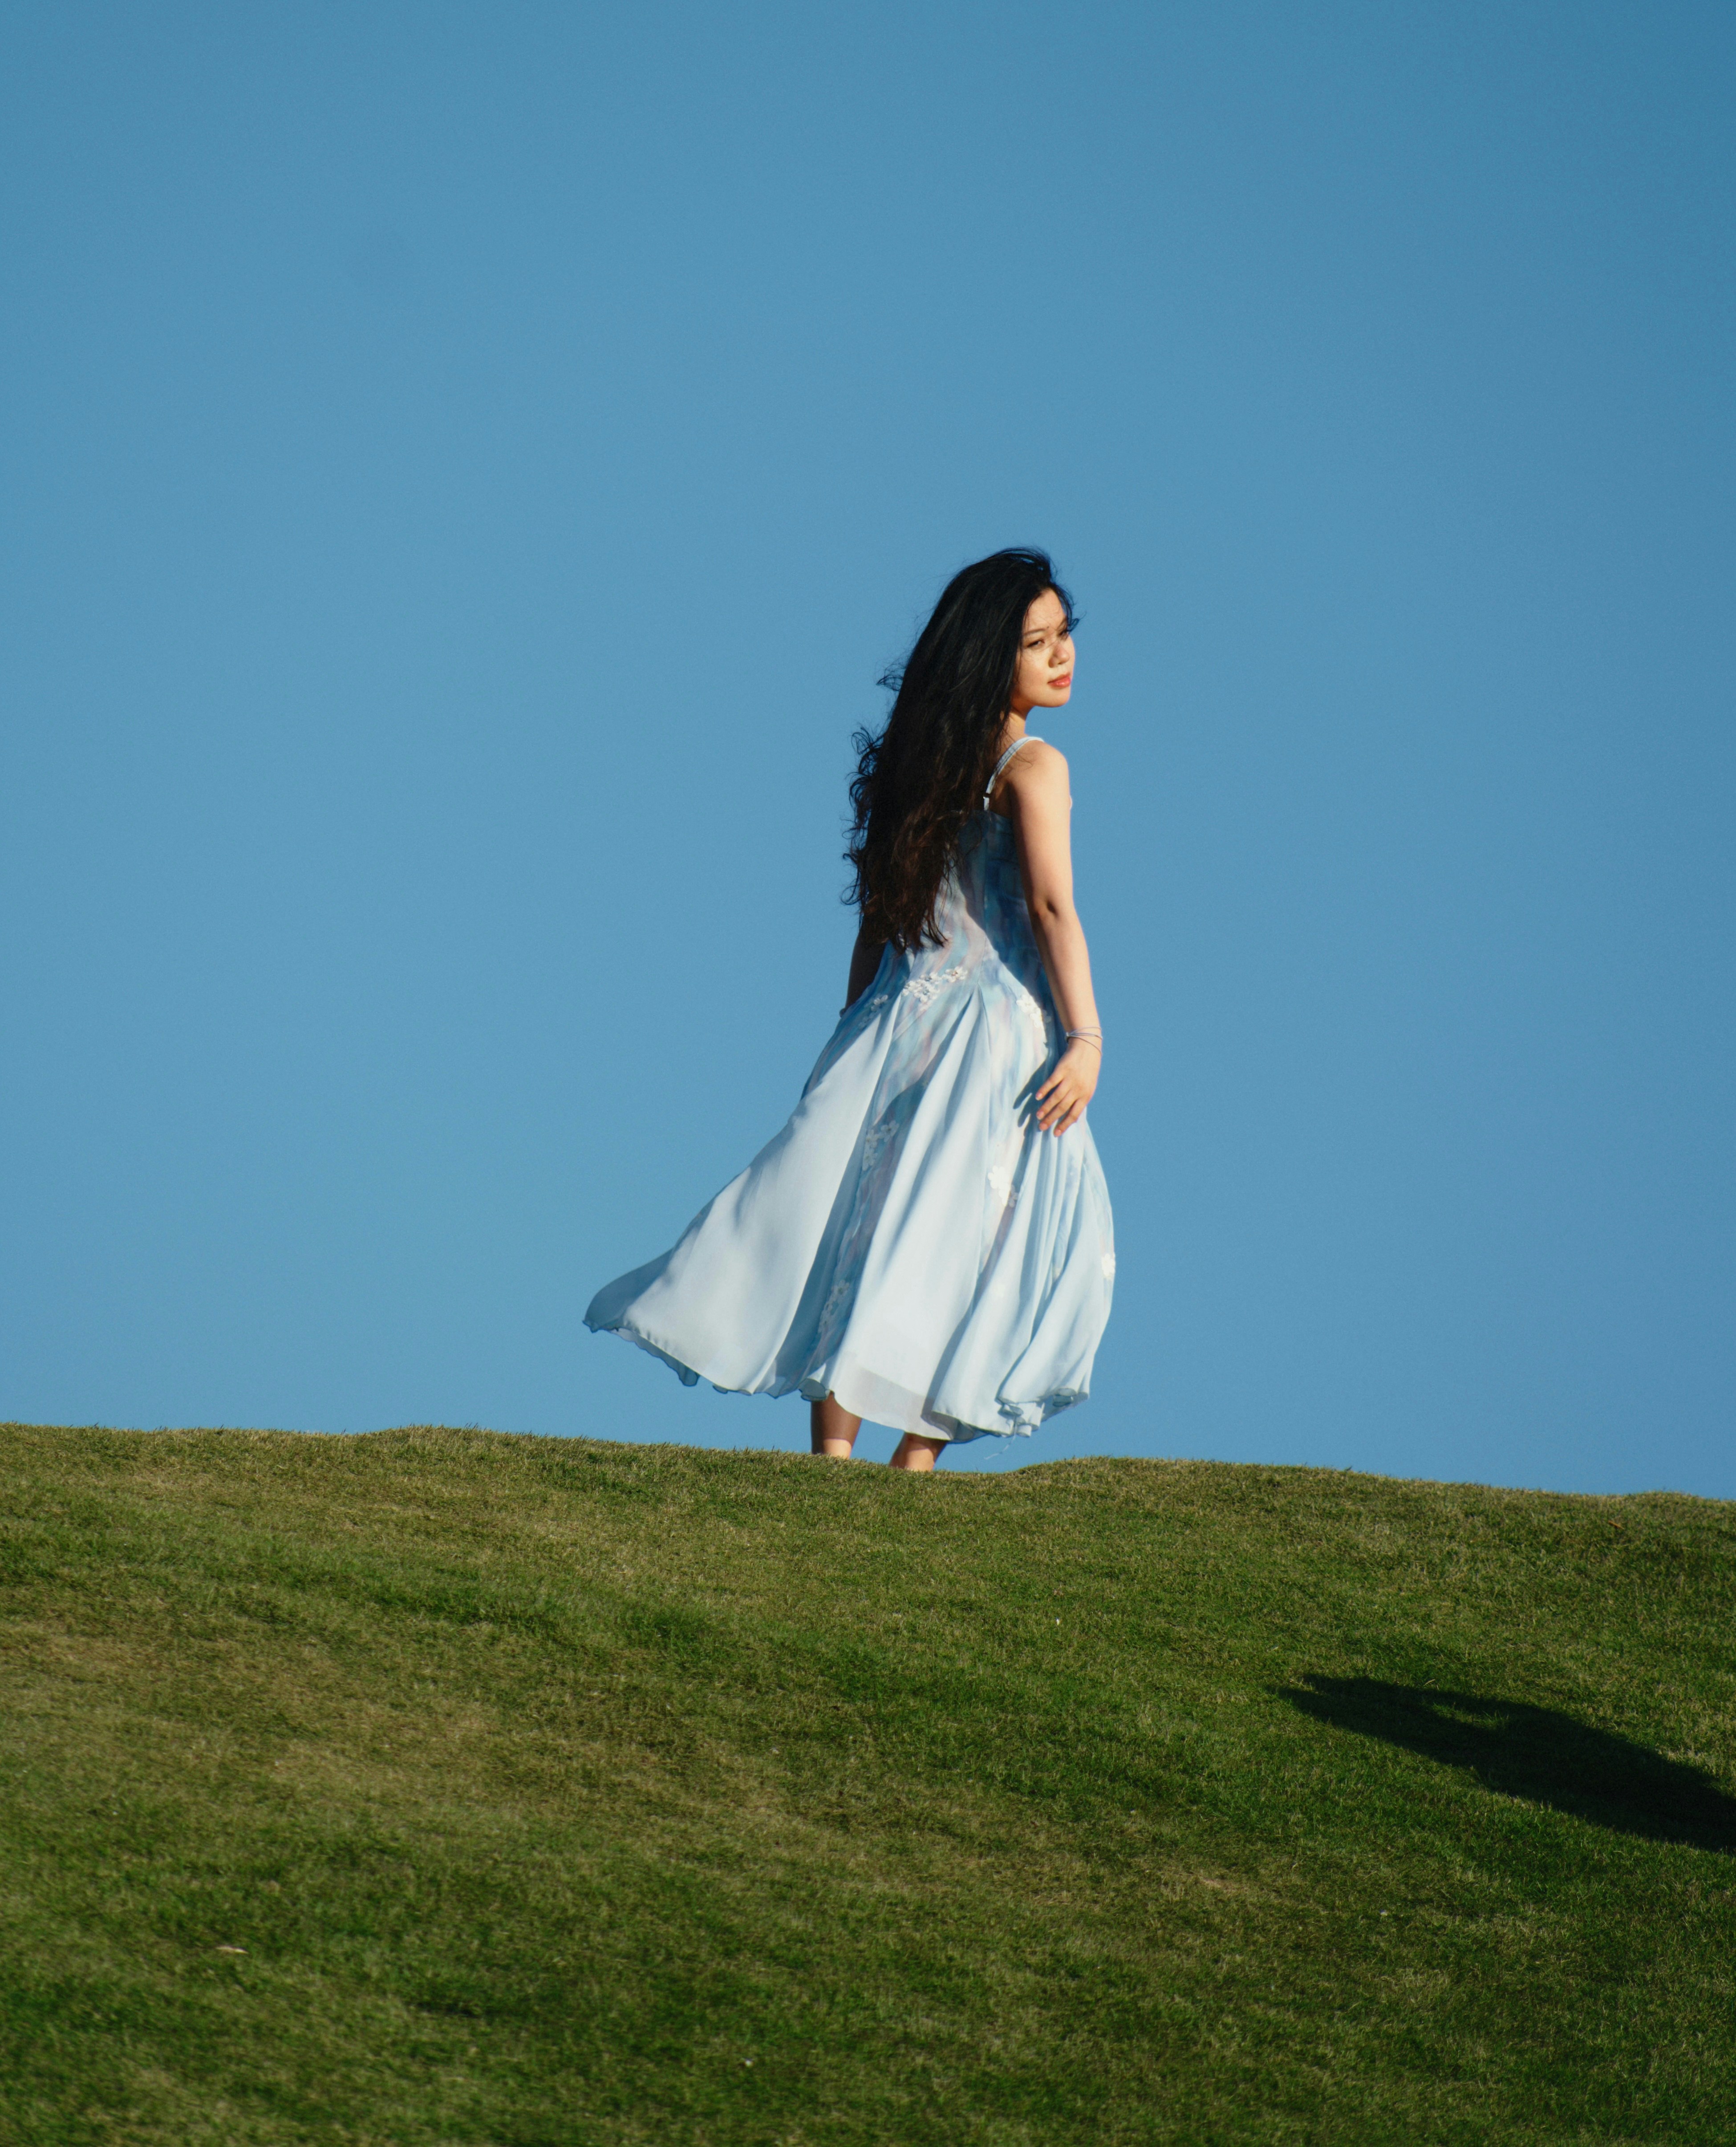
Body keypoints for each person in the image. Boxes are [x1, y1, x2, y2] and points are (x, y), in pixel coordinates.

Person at [585, 548, 1114, 1469]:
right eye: (1038, 643)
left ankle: (838, 1455)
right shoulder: (1035, 766)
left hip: (897, 1018)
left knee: (862, 1222)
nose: (1062, 655)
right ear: (995, 660)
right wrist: (1086, 1036)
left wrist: (847, 1036)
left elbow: (881, 916)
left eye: (1064, 634)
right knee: (983, 1234)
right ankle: (917, 1457)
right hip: (994, 1030)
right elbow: (1051, 905)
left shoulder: (924, 769)